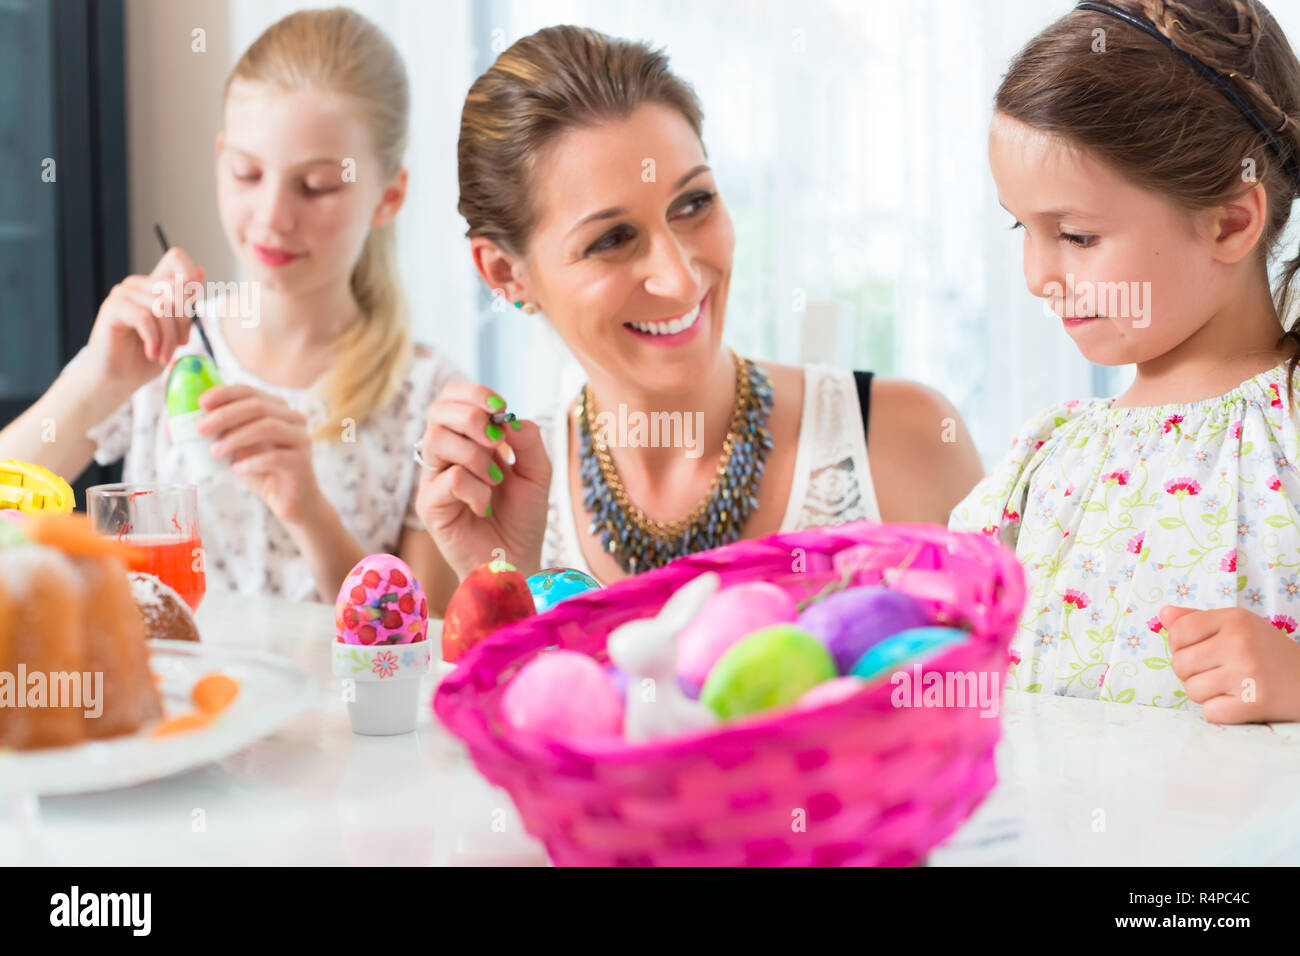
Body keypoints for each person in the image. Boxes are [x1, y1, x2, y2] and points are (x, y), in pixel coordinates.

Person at [415, 25, 982, 587]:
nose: (681, 280)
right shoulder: (498, 499)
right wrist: (506, 582)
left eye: (693, 203)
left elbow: (1005, 678)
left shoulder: (907, 440)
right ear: (505, 273)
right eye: (612, 239)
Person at [0, 8, 463, 605]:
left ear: (388, 195)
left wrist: (310, 513)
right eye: (247, 174)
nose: (272, 217)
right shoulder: (162, 350)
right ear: (221, 159)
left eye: (317, 185)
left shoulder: (429, 398)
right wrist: (98, 377)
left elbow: (418, 649)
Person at [951, 0, 1300, 723]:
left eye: (1075, 235)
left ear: (1231, 222)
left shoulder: (1288, 431)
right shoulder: (1046, 459)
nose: (1037, 276)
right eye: (1023, 226)